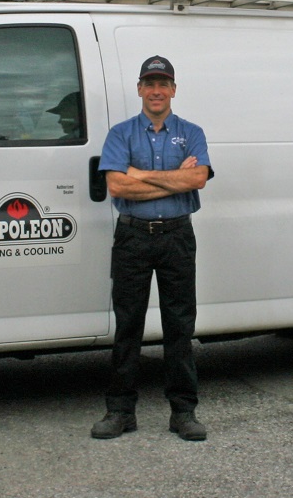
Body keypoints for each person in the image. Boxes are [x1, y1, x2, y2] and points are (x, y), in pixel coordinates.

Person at [91, 55, 213, 442]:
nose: (157, 90)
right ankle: (120, 411)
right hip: (133, 237)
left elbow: (199, 179)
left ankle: (183, 412)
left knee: (180, 325)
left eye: (163, 83)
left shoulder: (192, 132)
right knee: (128, 325)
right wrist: (176, 178)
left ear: (173, 90)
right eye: (150, 83)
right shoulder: (121, 133)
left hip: (177, 236)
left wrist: (141, 173)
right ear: (140, 88)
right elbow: (118, 186)